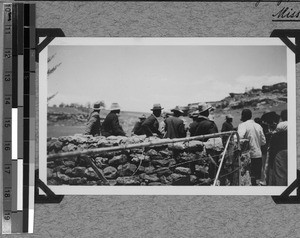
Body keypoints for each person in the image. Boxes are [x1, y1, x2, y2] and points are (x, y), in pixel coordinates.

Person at [237, 109, 266, 186]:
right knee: (257, 178)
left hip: (248, 157)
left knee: (248, 178)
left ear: (243, 116)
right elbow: (263, 142)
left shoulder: (242, 125)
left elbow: (239, 137)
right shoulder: (258, 125)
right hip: (258, 154)